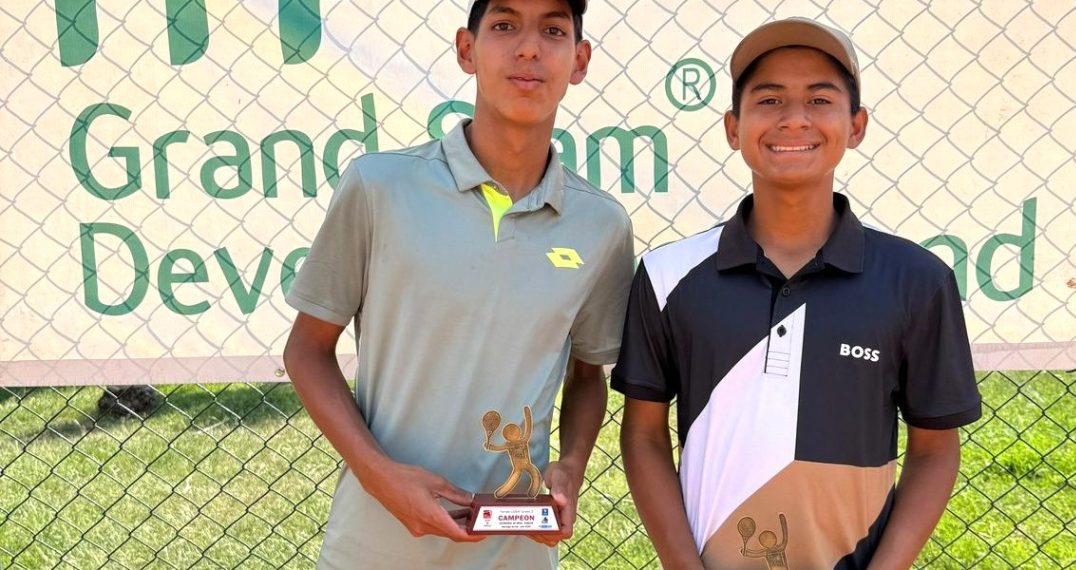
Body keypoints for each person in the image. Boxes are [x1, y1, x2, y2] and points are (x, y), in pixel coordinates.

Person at [612, 17, 982, 570]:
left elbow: (935, 449)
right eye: (769, 100)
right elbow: (643, 435)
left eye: (819, 99)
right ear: (733, 127)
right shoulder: (668, 275)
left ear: (856, 126)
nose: (793, 118)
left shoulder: (917, 279)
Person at [282, 0, 634, 567]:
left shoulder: (601, 224)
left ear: (580, 60)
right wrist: (380, 477)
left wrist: (571, 464)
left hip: (514, 554)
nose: (528, 48)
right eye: (504, 25)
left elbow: (587, 375)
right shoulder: (379, 187)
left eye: (553, 30)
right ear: (467, 50)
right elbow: (306, 351)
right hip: (374, 547)